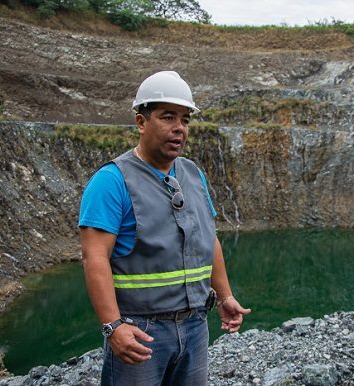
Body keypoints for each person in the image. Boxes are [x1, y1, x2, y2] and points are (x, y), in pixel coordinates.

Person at [79, 71, 251, 386]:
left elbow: (207, 238)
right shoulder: (111, 181)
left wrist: (225, 296)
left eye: (185, 120)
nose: (179, 128)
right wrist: (113, 326)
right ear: (141, 122)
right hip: (140, 332)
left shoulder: (193, 174)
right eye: (167, 117)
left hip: (196, 325)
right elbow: (94, 257)